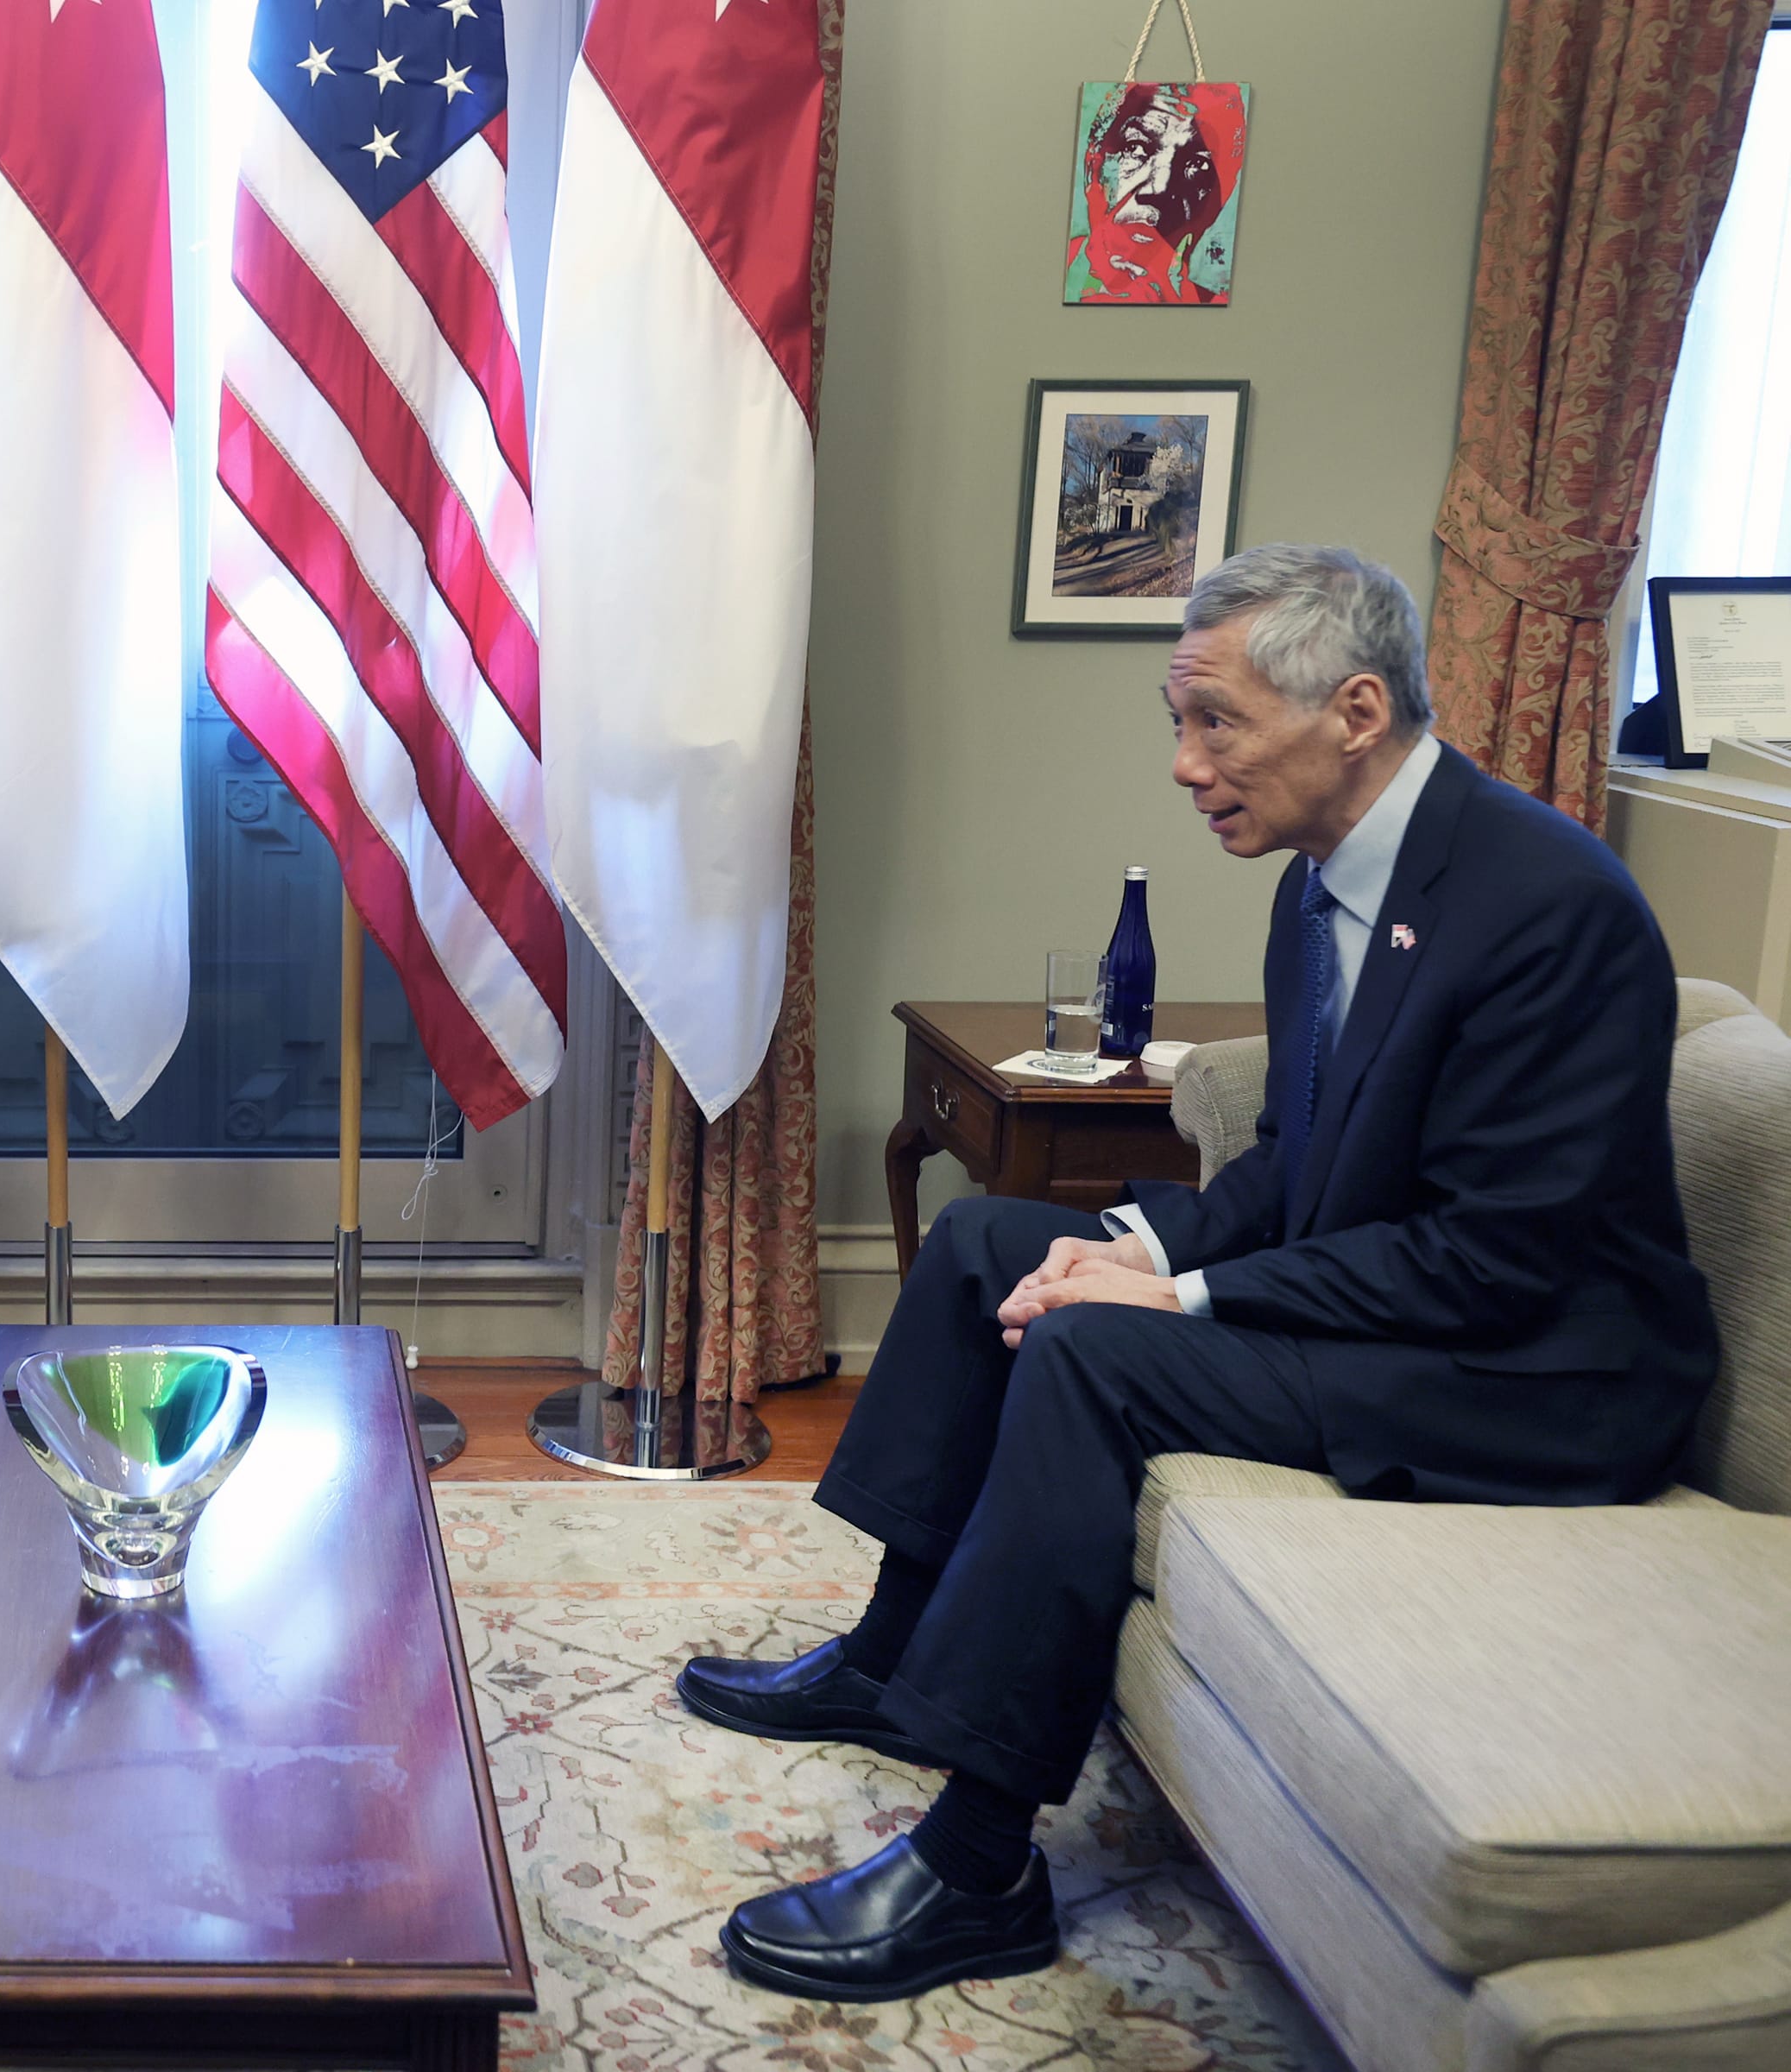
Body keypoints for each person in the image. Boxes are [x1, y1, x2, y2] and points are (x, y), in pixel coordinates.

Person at [683, 544, 1718, 2000]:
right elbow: (1302, 1158)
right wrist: (1136, 1245)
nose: (1184, 764)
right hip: (1415, 1305)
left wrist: (1170, 1301)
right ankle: (889, 1653)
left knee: (1104, 1355)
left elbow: (1495, 1258)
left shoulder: (1547, 907)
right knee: (995, 1239)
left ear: (1355, 711)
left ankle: (979, 1866)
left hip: (1537, 1375)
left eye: (1213, 722)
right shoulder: (1319, 890)